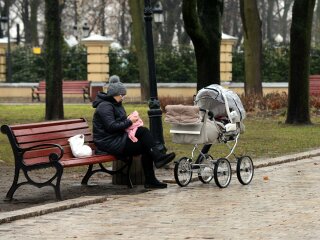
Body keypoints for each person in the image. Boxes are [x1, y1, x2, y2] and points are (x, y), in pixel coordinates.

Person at [92, 75, 176, 188]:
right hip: (108, 143)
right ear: (114, 94)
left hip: (118, 138)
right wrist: (129, 121)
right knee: (146, 146)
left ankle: (155, 166)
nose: (123, 97)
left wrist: (129, 119)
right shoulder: (104, 106)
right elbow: (111, 127)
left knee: (143, 131)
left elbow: (118, 122)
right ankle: (155, 164)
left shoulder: (116, 104)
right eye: (122, 95)